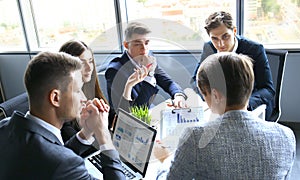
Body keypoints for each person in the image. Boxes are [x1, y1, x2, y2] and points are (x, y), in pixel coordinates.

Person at [155, 52, 296, 179]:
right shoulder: (286, 135)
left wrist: (165, 159)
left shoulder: (196, 137)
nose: (205, 100)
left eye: (204, 95)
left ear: (215, 95)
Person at [0, 51, 125, 180]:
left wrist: (86, 132)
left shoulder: (5, 126)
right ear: (55, 98)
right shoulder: (64, 164)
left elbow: (52, 154)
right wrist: (103, 134)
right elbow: (58, 160)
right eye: (77, 91)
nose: (83, 98)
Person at [191, 11, 275, 120]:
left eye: (225, 36)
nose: (220, 44)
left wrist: (243, 105)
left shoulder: (254, 49)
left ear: (234, 31)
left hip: (251, 105)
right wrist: (210, 98)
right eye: (214, 39)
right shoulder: (209, 48)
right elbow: (195, 80)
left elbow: (268, 89)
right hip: (220, 104)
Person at [105, 22, 187, 128]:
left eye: (147, 43)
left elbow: (168, 82)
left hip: (149, 114)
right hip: (128, 125)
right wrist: (149, 76)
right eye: (137, 44)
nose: (144, 49)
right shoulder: (115, 71)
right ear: (126, 45)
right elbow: (133, 112)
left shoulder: (147, 56)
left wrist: (178, 95)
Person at [59, 40, 109, 156]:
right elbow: (74, 151)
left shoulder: (89, 89)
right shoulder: (64, 105)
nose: (89, 68)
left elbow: (113, 120)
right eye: (82, 63)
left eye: (90, 61)